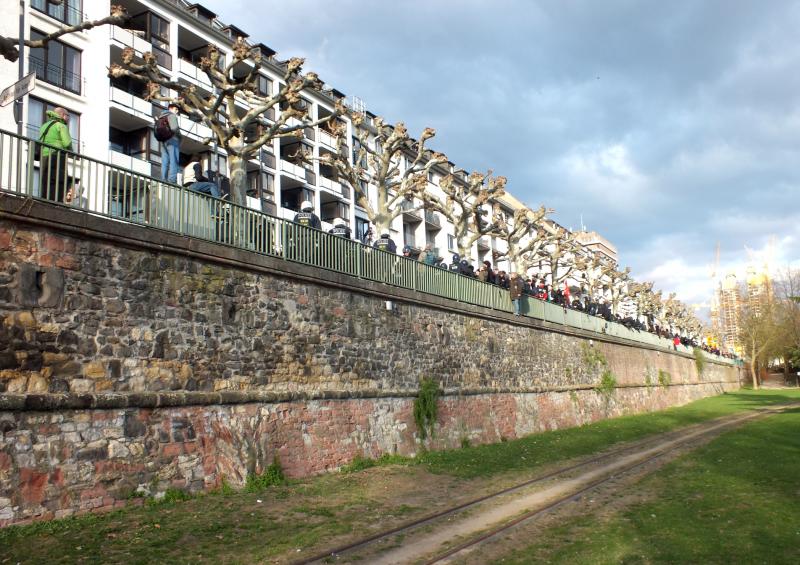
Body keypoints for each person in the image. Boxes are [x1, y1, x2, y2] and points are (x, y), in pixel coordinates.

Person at [38, 107, 73, 203]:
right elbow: (67, 143)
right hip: (57, 156)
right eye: (68, 116)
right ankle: (57, 202)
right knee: (60, 179)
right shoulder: (61, 126)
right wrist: (72, 152)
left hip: (44, 155)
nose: (68, 119)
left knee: (46, 179)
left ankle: (45, 200)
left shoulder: (44, 126)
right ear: (62, 115)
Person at [157, 102, 182, 183]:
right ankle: (172, 180)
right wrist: (180, 136)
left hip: (163, 140)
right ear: (170, 108)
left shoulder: (161, 117)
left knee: (165, 161)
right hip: (172, 139)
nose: (177, 111)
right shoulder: (171, 115)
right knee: (173, 159)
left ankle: (163, 179)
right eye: (176, 109)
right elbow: (174, 128)